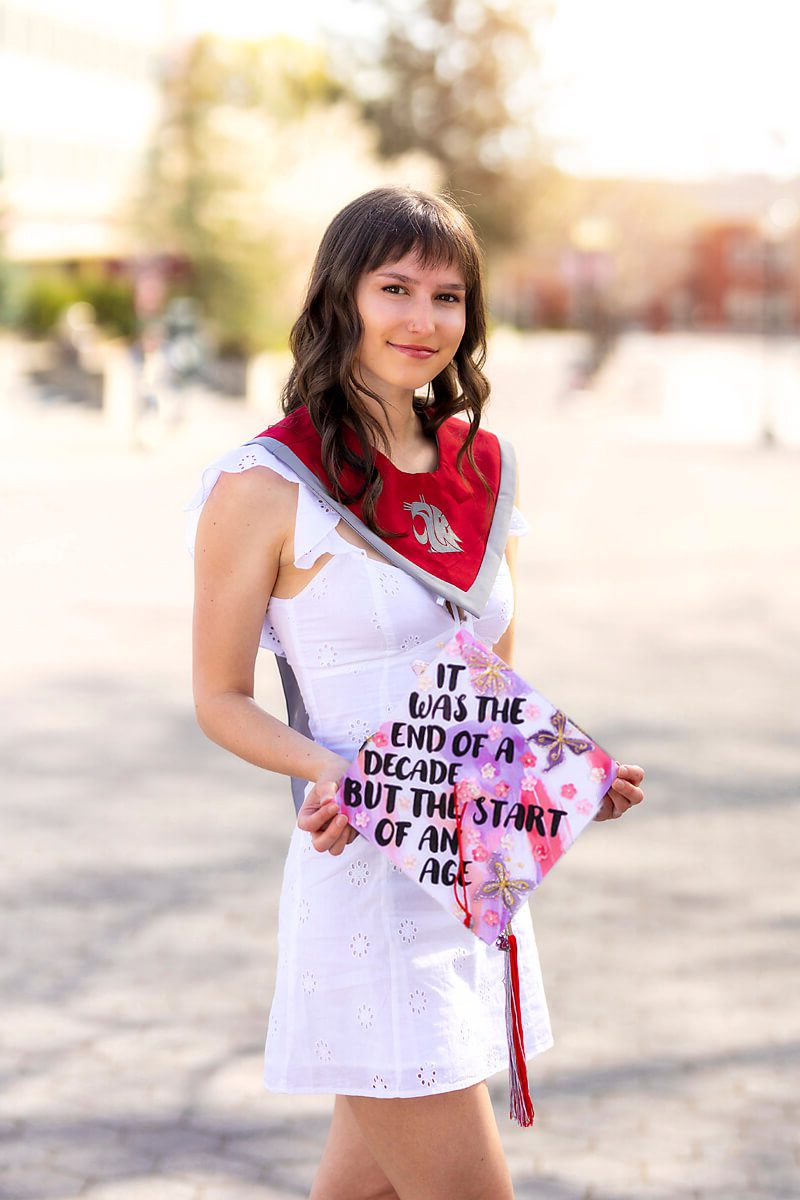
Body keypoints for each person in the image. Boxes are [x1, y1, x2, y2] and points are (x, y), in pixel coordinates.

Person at [185, 186, 645, 1200]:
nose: (421, 320)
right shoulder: (263, 485)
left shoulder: (489, 471)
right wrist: (331, 770)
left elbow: (490, 685)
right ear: (339, 298)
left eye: (447, 297)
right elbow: (219, 697)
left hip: (469, 871)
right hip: (365, 884)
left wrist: (565, 776)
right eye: (393, 287)